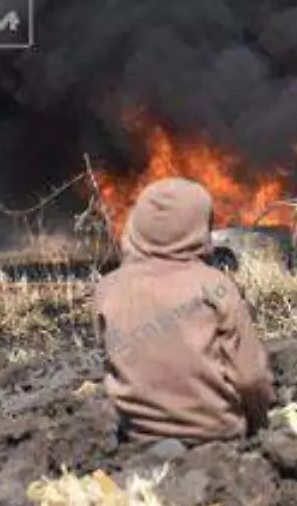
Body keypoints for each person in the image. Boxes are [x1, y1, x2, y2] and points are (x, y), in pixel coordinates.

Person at [95, 177, 275, 449]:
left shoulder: (107, 289)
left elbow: (111, 364)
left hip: (139, 441)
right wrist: (260, 426)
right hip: (217, 441)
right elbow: (250, 378)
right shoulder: (216, 286)